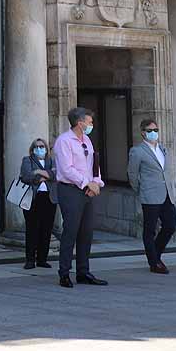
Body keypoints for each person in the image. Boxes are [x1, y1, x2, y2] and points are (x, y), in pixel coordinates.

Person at [53, 106, 107, 288]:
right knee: (71, 231)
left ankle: (83, 271)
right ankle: (64, 272)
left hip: (87, 189)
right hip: (70, 189)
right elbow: (66, 169)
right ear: (79, 122)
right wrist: (86, 183)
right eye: (89, 121)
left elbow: (93, 164)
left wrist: (97, 183)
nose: (92, 124)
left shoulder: (87, 140)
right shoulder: (64, 141)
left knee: (87, 231)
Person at [128, 118, 176, 275]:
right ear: (143, 133)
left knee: (170, 225)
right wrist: (140, 189)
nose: (153, 133)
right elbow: (132, 173)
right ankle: (154, 262)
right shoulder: (137, 151)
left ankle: (155, 253)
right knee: (150, 229)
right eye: (150, 131)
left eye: (155, 130)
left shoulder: (163, 149)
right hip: (150, 194)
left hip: (167, 193)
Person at [20, 137, 57, 270]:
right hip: (33, 198)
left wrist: (39, 172)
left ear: (46, 149)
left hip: (49, 198)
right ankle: (30, 260)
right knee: (32, 229)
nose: (39, 149)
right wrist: (45, 176)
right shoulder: (27, 160)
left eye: (42, 146)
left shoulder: (52, 160)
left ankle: (42, 259)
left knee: (46, 229)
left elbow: (56, 174)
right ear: (32, 149)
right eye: (37, 147)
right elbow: (26, 176)